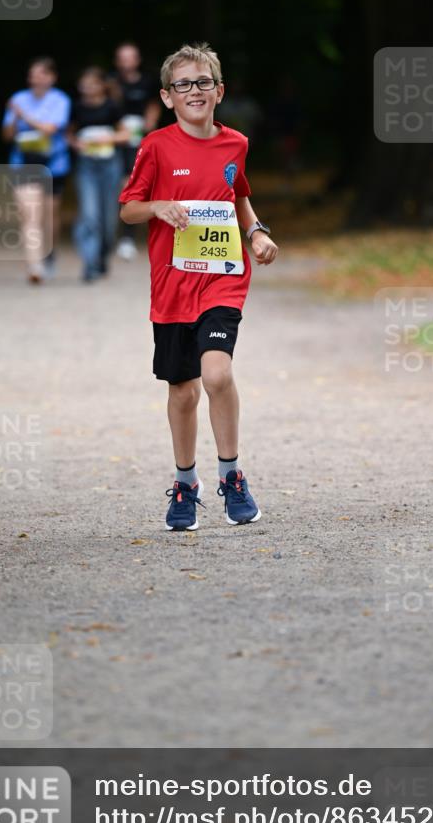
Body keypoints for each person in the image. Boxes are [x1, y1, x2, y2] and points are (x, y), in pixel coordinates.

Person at [119, 42, 278, 531]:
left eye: (203, 82)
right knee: (183, 391)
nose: (195, 91)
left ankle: (231, 474)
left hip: (222, 279)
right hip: (171, 285)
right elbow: (128, 208)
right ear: (168, 97)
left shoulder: (236, 144)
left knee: (216, 375)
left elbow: (239, 194)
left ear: (219, 90)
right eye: (183, 84)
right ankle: (186, 482)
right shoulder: (156, 146)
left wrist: (255, 232)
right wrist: (157, 208)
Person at [2, 57, 71, 284]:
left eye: (41, 74)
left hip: (54, 164)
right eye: (33, 74)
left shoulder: (60, 100)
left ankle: (49, 254)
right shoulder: (18, 99)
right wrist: (13, 120)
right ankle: (35, 266)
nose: (36, 79)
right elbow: (7, 136)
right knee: (30, 216)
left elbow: (50, 129)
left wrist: (23, 116)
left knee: (49, 218)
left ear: (52, 77)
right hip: (23, 163)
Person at [68, 67, 130, 281]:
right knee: (89, 215)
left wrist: (108, 139)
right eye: (84, 83)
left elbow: (125, 134)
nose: (87, 87)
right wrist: (76, 143)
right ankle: (90, 263)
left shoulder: (112, 106)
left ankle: (103, 255)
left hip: (110, 166)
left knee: (108, 221)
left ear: (102, 85)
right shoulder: (76, 107)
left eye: (92, 83)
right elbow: (69, 133)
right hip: (87, 167)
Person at [109, 43, 161, 259]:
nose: (126, 62)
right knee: (116, 188)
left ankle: (127, 238)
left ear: (137, 60)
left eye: (130, 58)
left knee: (131, 186)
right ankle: (110, 236)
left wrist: (148, 128)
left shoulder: (148, 81)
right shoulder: (111, 82)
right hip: (114, 141)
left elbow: (154, 105)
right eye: (122, 58)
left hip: (139, 140)